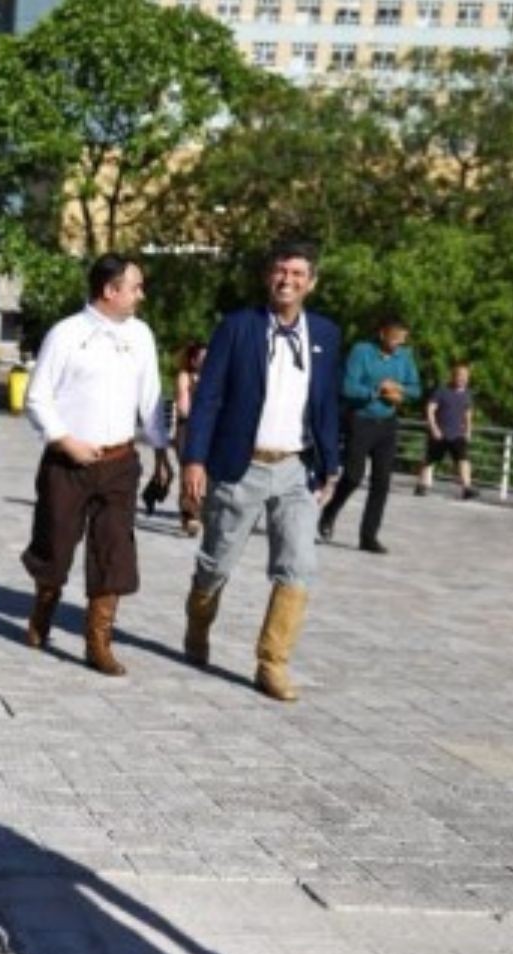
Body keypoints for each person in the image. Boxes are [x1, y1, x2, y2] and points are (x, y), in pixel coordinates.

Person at [179, 243, 342, 703]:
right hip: (240, 465)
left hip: (296, 468)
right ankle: (197, 625)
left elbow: (327, 404)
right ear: (267, 277)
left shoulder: (326, 334)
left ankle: (273, 663)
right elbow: (208, 397)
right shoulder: (237, 327)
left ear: (312, 281)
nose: (287, 280)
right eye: (279, 271)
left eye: (297, 273)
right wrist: (195, 459)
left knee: (299, 565)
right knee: (216, 564)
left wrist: (333, 465)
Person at [20, 254, 172, 677]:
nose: (141, 295)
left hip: (120, 461)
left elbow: (152, 400)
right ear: (110, 290)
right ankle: (42, 611)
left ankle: (98, 641)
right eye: (135, 287)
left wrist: (162, 454)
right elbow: (37, 397)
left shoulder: (140, 336)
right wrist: (65, 440)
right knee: (56, 543)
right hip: (67, 461)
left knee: (114, 549)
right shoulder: (67, 334)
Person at [317, 314, 420, 553]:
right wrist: (377, 390)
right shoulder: (361, 351)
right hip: (361, 420)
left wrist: (400, 390)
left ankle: (368, 536)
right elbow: (348, 387)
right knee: (353, 475)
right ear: (383, 333)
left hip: (388, 423)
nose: (398, 343)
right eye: (395, 337)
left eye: (402, 339)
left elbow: (416, 389)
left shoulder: (405, 357)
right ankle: (330, 511)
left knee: (382, 481)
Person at [417, 361, 477, 499]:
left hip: (458, 434)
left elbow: (468, 414)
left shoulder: (467, 394)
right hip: (440, 433)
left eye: (465, 376)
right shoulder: (442, 391)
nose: (463, 379)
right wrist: (434, 428)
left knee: (463, 458)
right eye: (460, 376)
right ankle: (421, 485)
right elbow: (430, 409)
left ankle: (466, 488)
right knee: (430, 459)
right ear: (453, 376)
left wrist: (468, 431)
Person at [173, 342, 207, 536]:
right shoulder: (185, 377)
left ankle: (199, 509)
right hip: (188, 428)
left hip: (207, 429)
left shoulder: (214, 377)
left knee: (205, 474)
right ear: (193, 360)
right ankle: (190, 515)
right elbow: (184, 409)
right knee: (189, 471)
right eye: (203, 357)